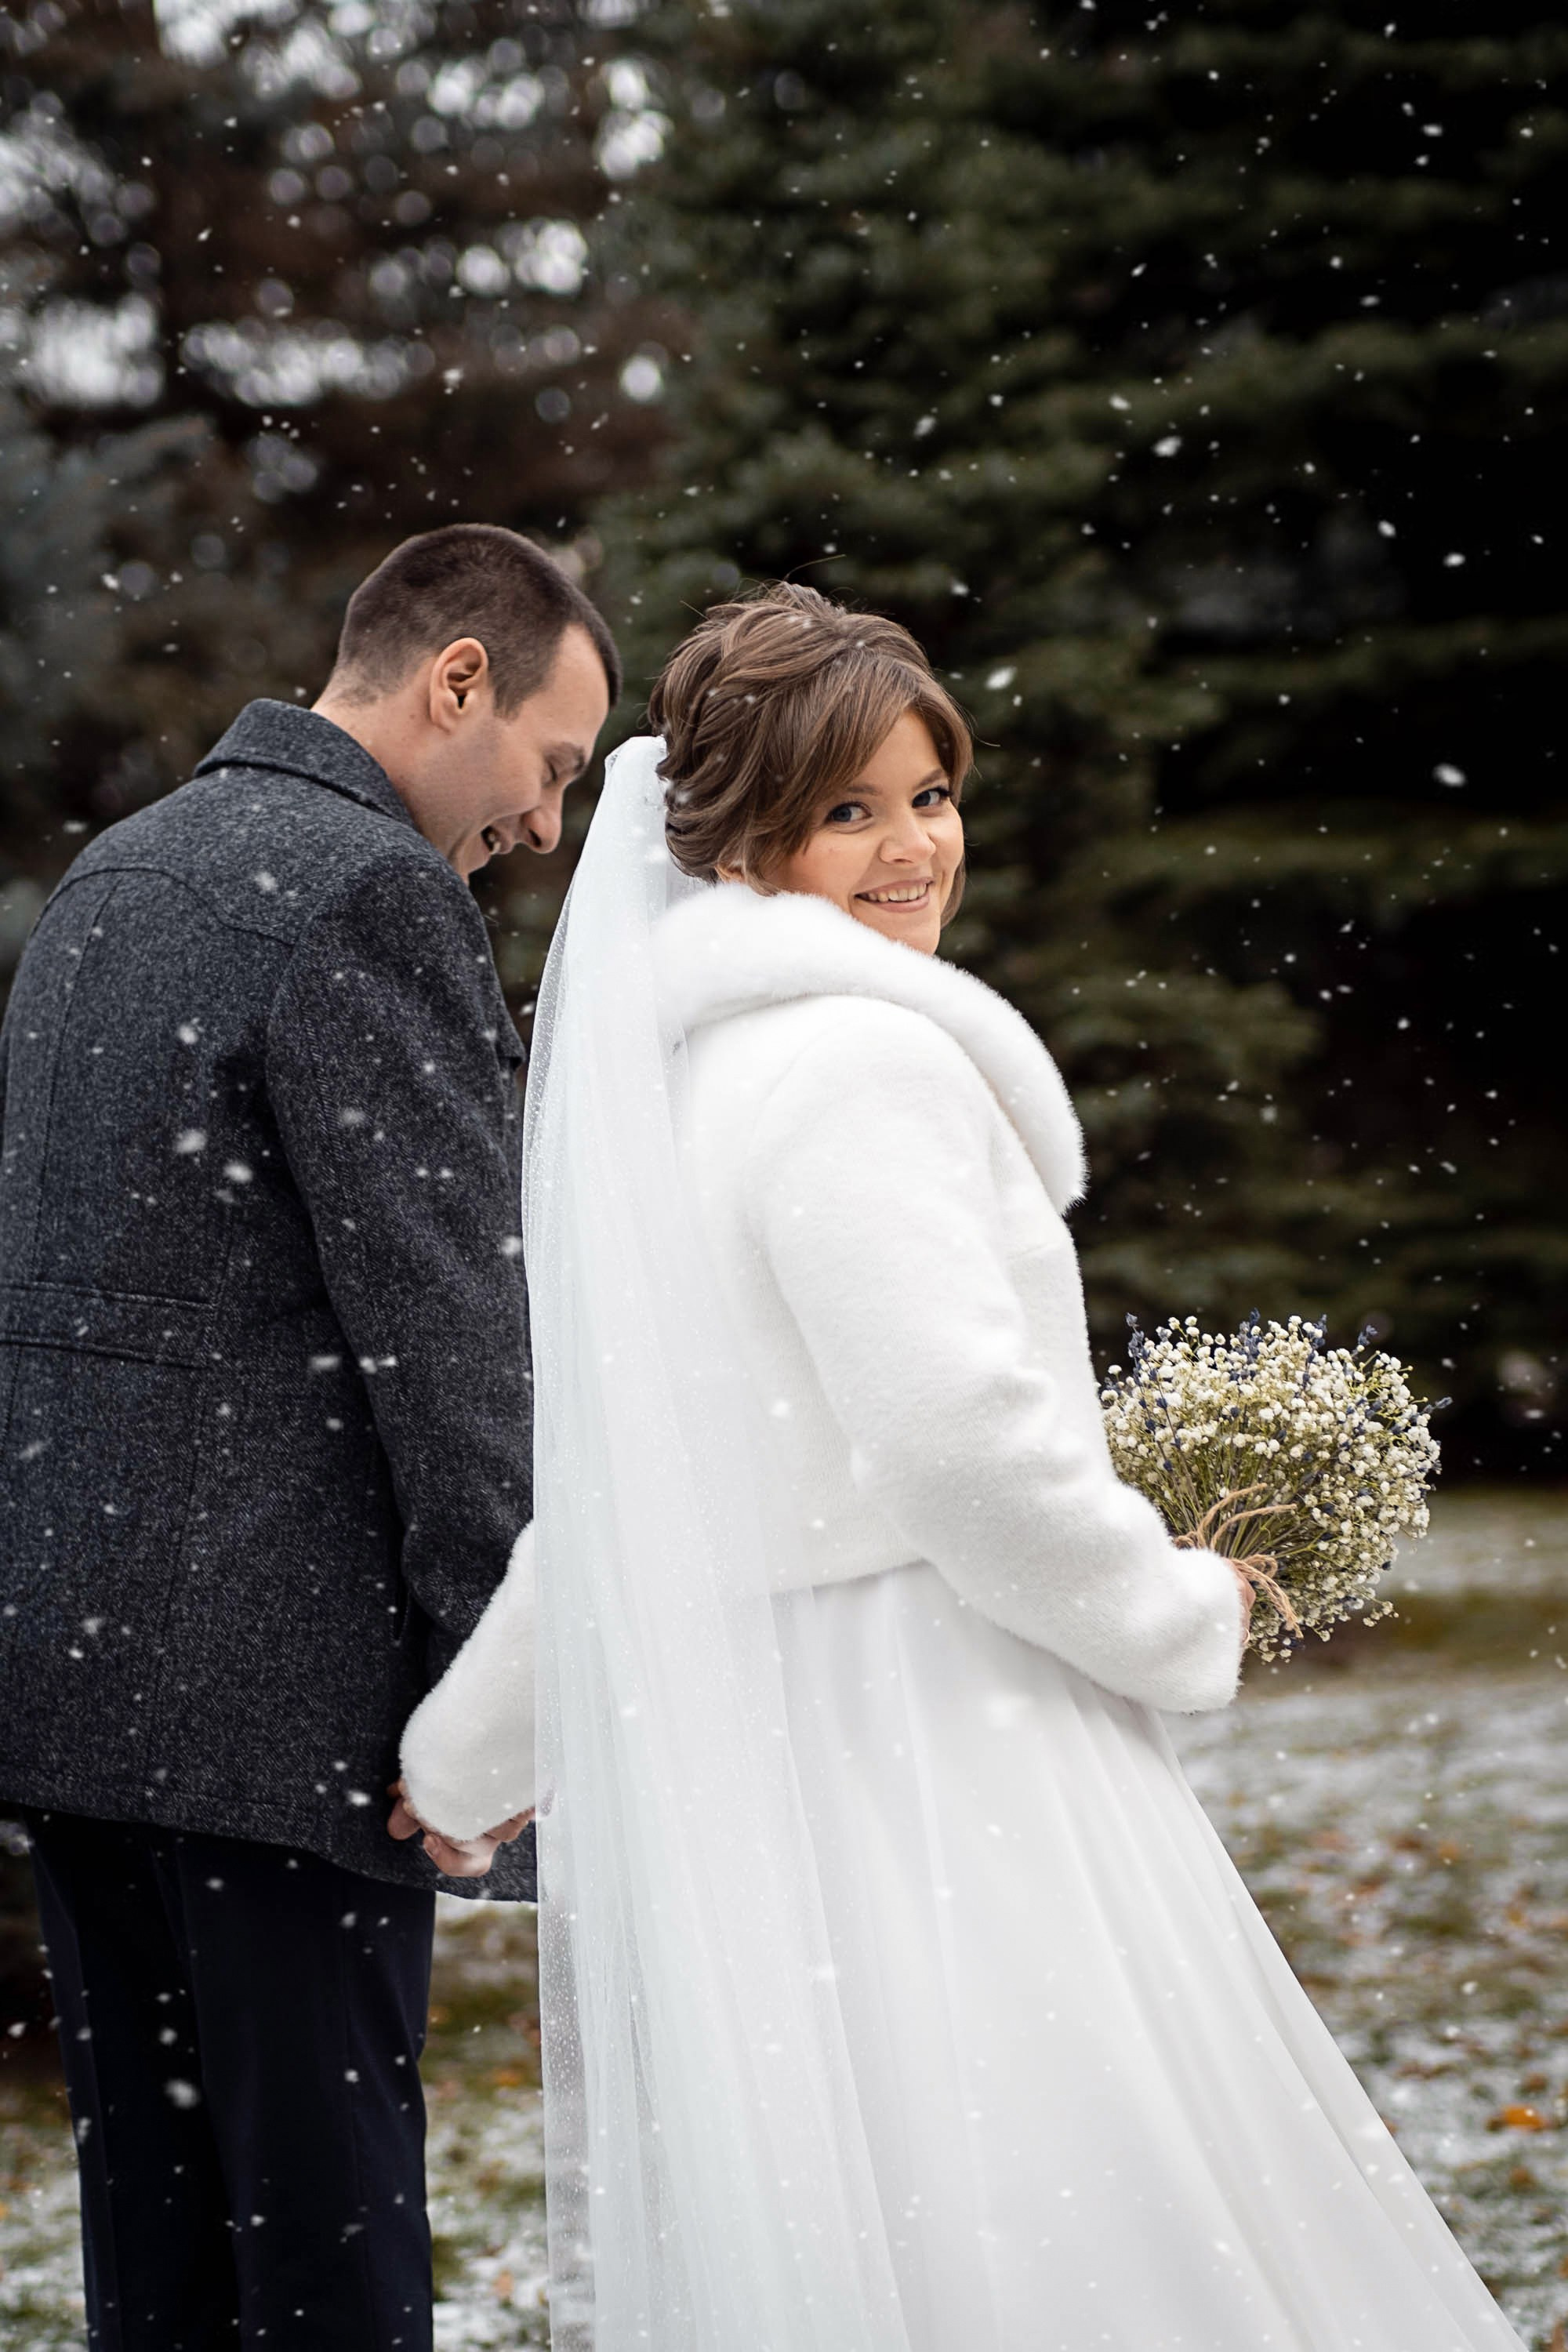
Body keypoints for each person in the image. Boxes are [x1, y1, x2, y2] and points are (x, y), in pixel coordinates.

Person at [399, 581, 1523, 2350]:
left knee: (920, 2234)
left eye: (929, 795)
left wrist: (463, 1757)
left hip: (780, 1769)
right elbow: (958, 1446)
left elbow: (624, 1498)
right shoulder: (849, 1067)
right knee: (1081, 2205)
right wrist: (1175, 1607)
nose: (912, 847)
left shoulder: (676, 1096)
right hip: (944, 1739)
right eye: (846, 811)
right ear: (741, 840)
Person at [0, 524, 614, 2350]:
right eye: (553, 762)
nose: (548, 824)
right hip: (283, 1698)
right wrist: (499, 1696)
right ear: (454, 680)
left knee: (161, 2241)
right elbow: (452, 1348)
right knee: (324, 2247)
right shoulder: (364, 890)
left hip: (78, 1677)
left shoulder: (120, 871)